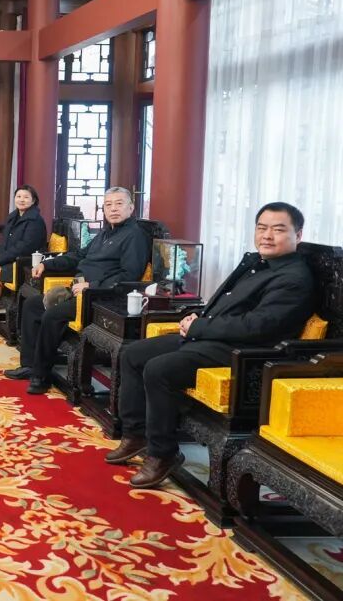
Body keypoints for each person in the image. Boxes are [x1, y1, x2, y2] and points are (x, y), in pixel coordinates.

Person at [106, 202, 316, 489]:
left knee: (159, 369)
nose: (267, 235)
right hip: (215, 337)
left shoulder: (294, 278)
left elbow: (258, 326)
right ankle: (136, 434)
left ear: (298, 235)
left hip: (244, 351)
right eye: (262, 228)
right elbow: (227, 303)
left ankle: (163, 454)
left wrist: (200, 327)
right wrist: (197, 318)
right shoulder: (257, 263)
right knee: (133, 353)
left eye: (278, 230)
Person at [12, 187, 150, 393]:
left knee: (52, 315)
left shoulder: (135, 236)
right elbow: (78, 256)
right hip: (78, 290)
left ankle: (41, 376)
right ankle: (30, 365)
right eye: (108, 205)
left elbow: (129, 276)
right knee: (32, 305)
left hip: (100, 298)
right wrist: (47, 264)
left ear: (131, 208)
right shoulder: (105, 233)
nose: (113, 209)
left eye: (119, 204)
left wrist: (91, 286)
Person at [0, 185, 47, 337]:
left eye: (26, 197)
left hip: (24, 263)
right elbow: (4, 243)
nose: (22, 200)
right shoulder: (13, 216)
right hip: (8, 260)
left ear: (34, 200)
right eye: (18, 196)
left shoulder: (36, 221)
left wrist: (0, 259)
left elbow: (24, 247)